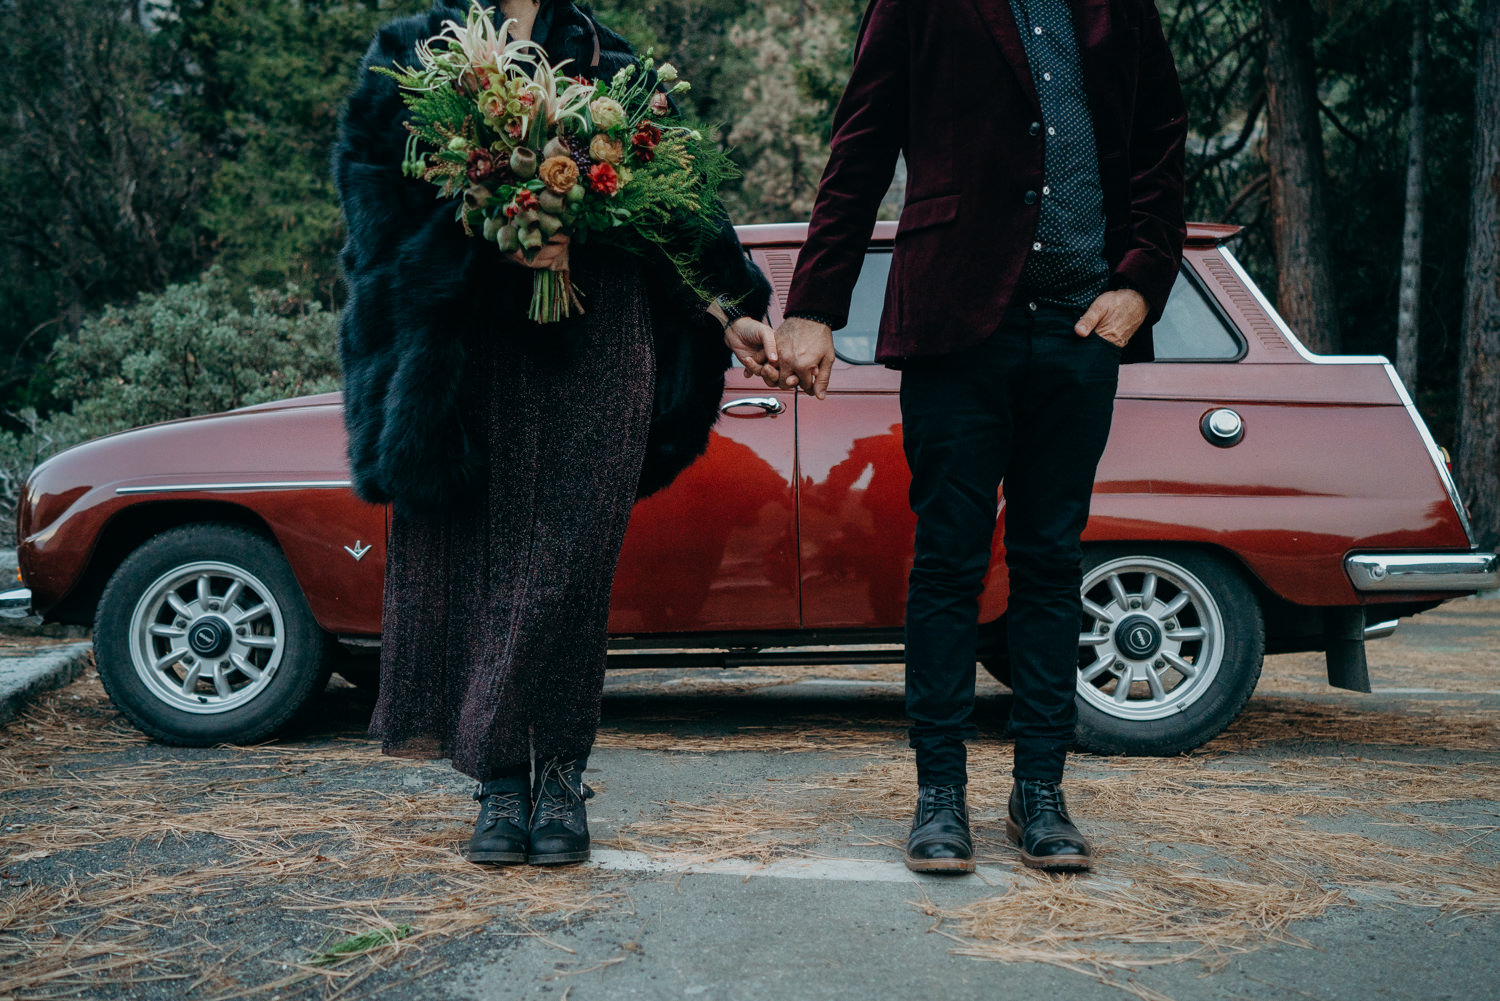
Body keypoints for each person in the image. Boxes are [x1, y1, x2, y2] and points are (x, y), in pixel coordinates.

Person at [333, 0, 777, 866]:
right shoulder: (407, 56)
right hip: (469, 350)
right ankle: (501, 782)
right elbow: (370, 216)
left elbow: (676, 213)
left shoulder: (614, 62)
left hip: (600, 340)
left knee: (570, 564)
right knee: (487, 558)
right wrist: (499, 229)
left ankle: (563, 775)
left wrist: (732, 307)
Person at [762, 0, 1188, 872]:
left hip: (1079, 329)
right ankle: (939, 795)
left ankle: (1041, 793)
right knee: (949, 563)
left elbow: (1160, 142)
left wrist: (1142, 280)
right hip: (958, 322)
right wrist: (811, 306)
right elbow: (862, 144)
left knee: (1050, 563)